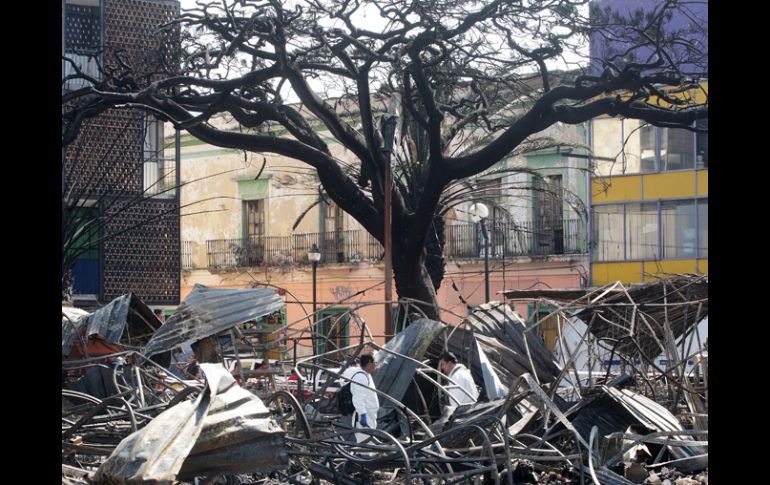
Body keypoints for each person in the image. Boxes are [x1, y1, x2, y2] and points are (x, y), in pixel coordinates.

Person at [351, 353, 379, 444]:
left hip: (369, 415)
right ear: (370, 363)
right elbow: (358, 398)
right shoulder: (361, 377)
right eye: (375, 363)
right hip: (364, 416)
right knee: (366, 444)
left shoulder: (366, 375)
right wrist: (362, 415)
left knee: (368, 443)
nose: (375, 366)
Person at [339, 356, 362, 441]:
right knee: (357, 423)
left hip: (345, 401)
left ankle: (348, 442)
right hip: (355, 400)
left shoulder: (346, 371)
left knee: (347, 423)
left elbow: (341, 384)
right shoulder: (358, 370)